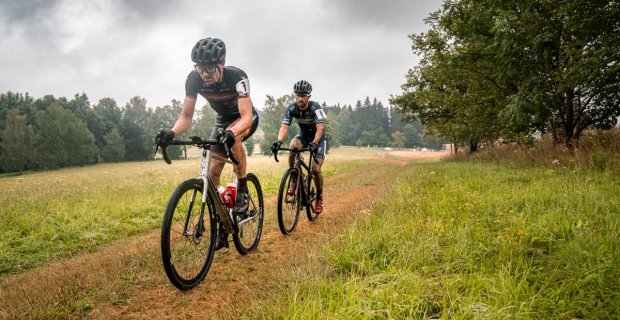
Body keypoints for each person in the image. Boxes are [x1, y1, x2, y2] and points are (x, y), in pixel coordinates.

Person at [155, 37, 259, 250]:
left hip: (243, 118)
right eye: (200, 68)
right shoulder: (194, 80)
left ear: (222, 63)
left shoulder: (237, 77)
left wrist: (233, 131)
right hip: (222, 120)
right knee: (212, 174)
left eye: (209, 69)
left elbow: (246, 117)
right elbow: (186, 117)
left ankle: (242, 189)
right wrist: (171, 133)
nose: (204, 74)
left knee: (234, 137)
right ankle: (223, 220)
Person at [271, 80, 327, 214]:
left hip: (317, 139)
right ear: (295, 95)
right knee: (293, 146)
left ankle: (319, 197)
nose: (300, 98)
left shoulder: (316, 108)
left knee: (315, 169)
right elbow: (284, 127)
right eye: (298, 95)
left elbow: (321, 127)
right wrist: (279, 141)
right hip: (303, 136)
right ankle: (294, 177)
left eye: (303, 95)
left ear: (309, 96)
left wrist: (314, 142)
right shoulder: (291, 108)